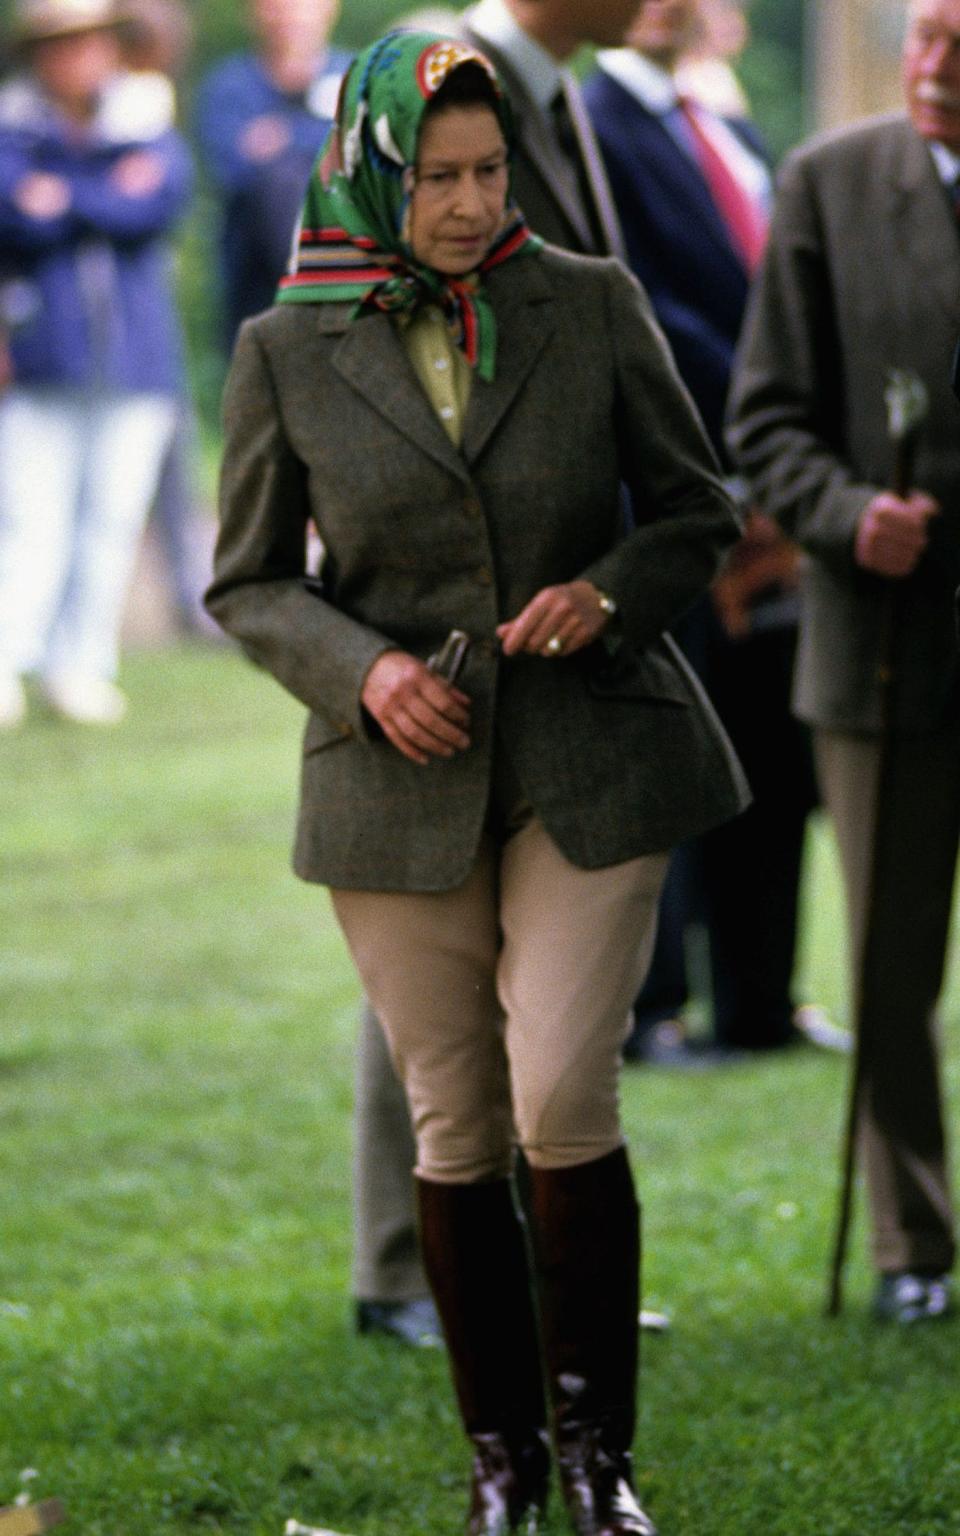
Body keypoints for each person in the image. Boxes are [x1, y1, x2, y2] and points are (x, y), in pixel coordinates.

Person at [208, 30, 747, 1535]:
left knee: (565, 1090)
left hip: (593, 751)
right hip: (397, 788)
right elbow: (246, 585)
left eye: (489, 171)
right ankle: (502, 1465)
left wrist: (610, 592)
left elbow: (698, 512)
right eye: (436, 175)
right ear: (372, 168)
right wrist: (361, 673)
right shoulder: (282, 348)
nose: (465, 203)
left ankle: (600, 1467)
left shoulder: (589, 303)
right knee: (454, 1123)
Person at [728, 0, 960, 1324]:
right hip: (885, 644)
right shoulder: (825, 184)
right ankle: (911, 1244)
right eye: (924, 37)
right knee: (890, 962)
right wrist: (842, 515)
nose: (932, 70)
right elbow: (766, 417)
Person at [585, 0, 832, 1065]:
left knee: (770, 747)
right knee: (676, 744)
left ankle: (760, 998)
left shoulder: (723, 122)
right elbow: (640, 304)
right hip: (677, 481)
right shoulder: (595, 124)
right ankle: (655, 1009)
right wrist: (763, 411)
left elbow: (774, 276)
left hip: (771, 484)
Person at [0, 0, 192, 728]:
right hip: (40, 351)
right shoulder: (15, 126)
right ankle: (8, 660)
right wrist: (104, 193)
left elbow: (156, 206)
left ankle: (78, 665)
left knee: (111, 518)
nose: (74, 57)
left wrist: (64, 199)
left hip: (135, 357)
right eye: (58, 44)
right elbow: (15, 212)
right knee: (27, 515)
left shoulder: (147, 120)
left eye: (85, 42)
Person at [194, 0, 350, 346]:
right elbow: (233, 170)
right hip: (256, 306)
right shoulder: (228, 89)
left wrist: (288, 137)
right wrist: (326, 139)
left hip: (352, 305)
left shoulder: (357, 78)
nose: (291, 12)